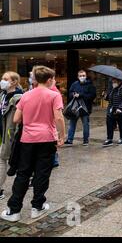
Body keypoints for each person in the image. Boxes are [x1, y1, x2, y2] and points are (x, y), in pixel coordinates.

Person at [1, 66, 65, 223]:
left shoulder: (26, 95)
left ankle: (14, 210)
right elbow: (59, 118)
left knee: (23, 173)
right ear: (49, 79)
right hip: (47, 138)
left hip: (27, 139)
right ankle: (37, 206)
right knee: (42, 173)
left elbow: (16, 119)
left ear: (35, 79)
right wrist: (62, 135)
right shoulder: (54, 95)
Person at [0, 72, 23, 201]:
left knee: (6, 159)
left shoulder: (19, 97)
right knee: (4, 159)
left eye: (5, 79)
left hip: (11, 135)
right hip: (2, 134)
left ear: (14, 82)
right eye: (2, 78)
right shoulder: (2, 95)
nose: (2, 81)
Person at [65, 70, 97, 147]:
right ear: (78, 77)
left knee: (85, 124)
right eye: (80, 76)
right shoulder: (74, 84)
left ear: (86, 76)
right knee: (72, 124)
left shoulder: (90, 85)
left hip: (85, 108)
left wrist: (81, 95)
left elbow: (92, 96)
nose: (82, 77)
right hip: (75, 108)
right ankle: (70, 140)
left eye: (83, 75)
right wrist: (73, 94)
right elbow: (69, 93)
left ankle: (85, 140)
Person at [102, 78, 122, 147]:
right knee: (109, 123)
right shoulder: (112, 88)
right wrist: (104, 96)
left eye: (115, 81)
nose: (113, 82)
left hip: (121, 110)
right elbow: (108, 98)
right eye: (112, 81)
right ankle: (109, 139)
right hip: (111, 109)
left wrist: (120, 108)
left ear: (119, 81)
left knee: (121, 124)